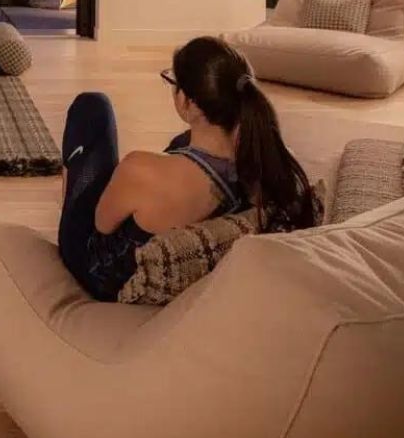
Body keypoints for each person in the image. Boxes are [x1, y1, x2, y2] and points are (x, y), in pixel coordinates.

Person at [57, 37, 323, 302]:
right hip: (186, 202)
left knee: (93, 107)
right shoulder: (273, 162)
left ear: (188, 102)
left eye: (173, 83)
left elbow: (102, 225)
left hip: (102, 274)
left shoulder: (140, 169)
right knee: (181, 143)